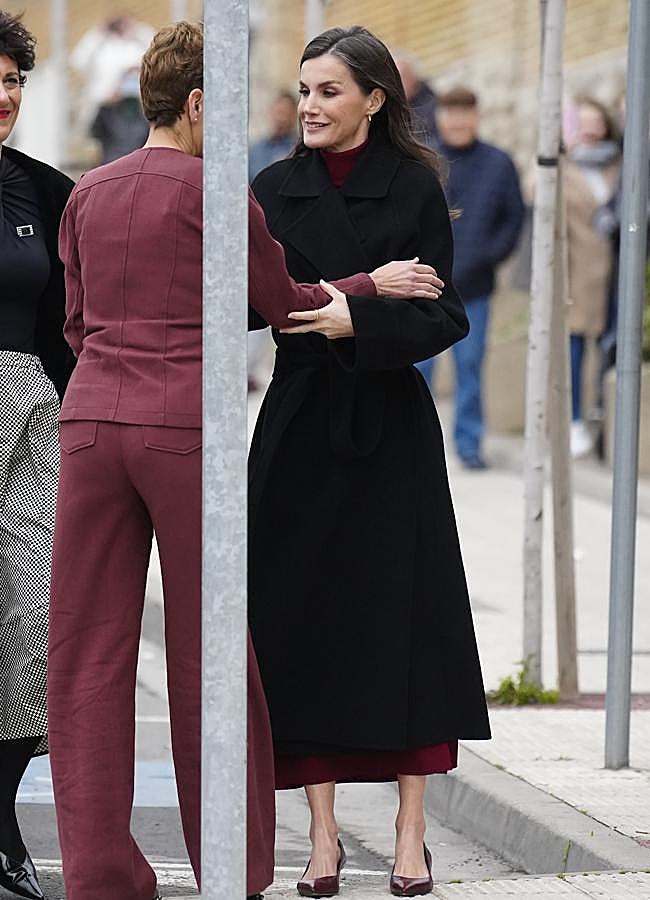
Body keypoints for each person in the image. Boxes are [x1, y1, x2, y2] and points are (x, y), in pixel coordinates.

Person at [47, 21, 442, 900]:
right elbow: (281, 300)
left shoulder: (87, 193)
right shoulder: (216, 192)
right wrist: (371, 284)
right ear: (196, 105)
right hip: (179, 427)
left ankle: (102, 878)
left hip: (90, 421)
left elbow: (75, 327)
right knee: (212, 651)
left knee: (86, 654)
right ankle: (233, 864)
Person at [250, 26, 491, 898]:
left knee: (405, 623)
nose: (310, 106)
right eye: (305, 90)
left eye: (329, 91)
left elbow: (445, 316)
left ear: (375, 99)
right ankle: (319, 839)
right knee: (300, 622)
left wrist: (359, 324)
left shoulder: (416, 187)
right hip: (300, 425)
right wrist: (356, 292)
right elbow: (249, 308)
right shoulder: (271, 189)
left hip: (389, 425)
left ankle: (410, 831)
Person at [0, 11, 74, 900]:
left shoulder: (47, 191)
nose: (5, 95)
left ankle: (3, 814)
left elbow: (78, 314)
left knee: (37, 619)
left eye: (15, 80)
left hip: (34, 420)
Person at [417, 87, 524, 469]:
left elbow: (513, 220)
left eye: (465, 114)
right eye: (451, 113)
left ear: (477, 117)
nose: (458, 122)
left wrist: (486, 258)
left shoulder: (499, 163)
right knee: (416, 370)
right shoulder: (423, 160)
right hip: (422, 286)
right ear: (440, 117)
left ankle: (467, 445)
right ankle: (415, 445)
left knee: (470, 367)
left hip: (474, 289)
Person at [564, 96, 621, 458]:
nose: (590, 129)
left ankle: (602, 419)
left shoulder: (619, 164)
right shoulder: (563, 167)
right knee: (574, 351)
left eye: (595, 121)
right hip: (576, 272)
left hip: (614, 273)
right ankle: (574, 420)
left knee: (609, 350)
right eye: (582, 121)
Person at [71, 14, 153, 130]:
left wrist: (136, 30)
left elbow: (155, 50)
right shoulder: (101, 46)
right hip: (105, 106)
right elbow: (78, 61)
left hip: (138, 106)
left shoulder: (136, 44)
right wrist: (99, 33)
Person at [90, 64, 150, 164]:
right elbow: (94, 132)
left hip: (137, 164)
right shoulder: (109, 110)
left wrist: (146, 104)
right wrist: (106, 105)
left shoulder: (146, 112)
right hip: (111, 163)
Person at [249, 90, 298, 181]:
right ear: (270, 113)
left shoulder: (298, 149)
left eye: (286, 114)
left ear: (294, 117)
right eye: (278, 112)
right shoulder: (255, 150)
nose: (281, 119)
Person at [394, 50, 438, 146]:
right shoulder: (390, 105)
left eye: (403, 76)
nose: (399, 82)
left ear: (414, 78)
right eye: (395, 77)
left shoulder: (432, 105)